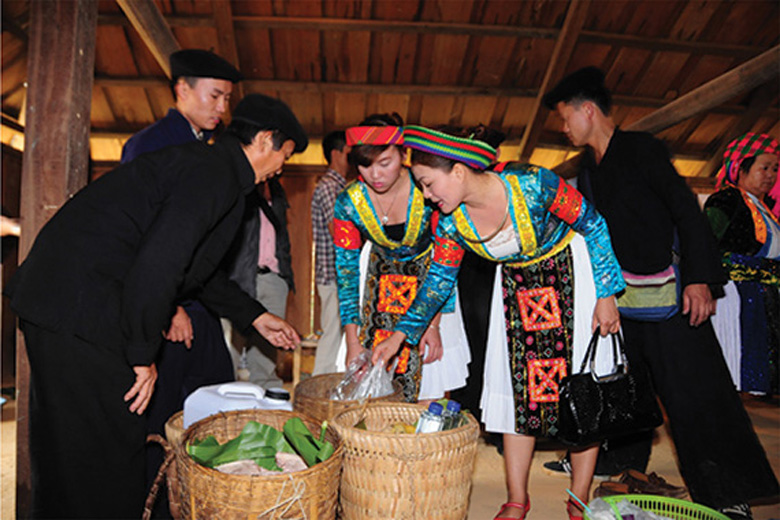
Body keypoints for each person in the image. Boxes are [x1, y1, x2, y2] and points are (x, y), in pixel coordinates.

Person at [5, 93, 306, 519]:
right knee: (103, 448)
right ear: (264, 139)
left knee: (69, 446)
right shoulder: (213, 175)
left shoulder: (213, 170)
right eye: (285, 154)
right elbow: (159, 265)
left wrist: (254, 316)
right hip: (80, 305)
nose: (281, 167)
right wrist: (142, 354)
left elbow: (194, 271)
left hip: (63, 301)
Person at [543, 67, 779, 520]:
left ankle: (727, 493)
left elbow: (686, 212)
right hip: (624, 298)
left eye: (564, 116)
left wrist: (699, 279)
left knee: (695, 391)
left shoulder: (642, 150)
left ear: (586, 110)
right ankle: (623, 468)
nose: (563, 126)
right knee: (627, 387)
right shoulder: (588, 169)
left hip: (671, 295)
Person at [373, 125, 626, 520]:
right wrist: (400, 335)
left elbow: (592, 224)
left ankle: (578, 498)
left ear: (458, 171)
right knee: (516, 390)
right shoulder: (451, 224)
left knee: (581, 389)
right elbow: (437, 282)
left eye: (428, 183)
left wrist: (607, 294)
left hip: (574, 277)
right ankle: (517, 498)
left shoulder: (534, 183)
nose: (426, 195)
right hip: (517, 290)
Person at [119, 48, 245, 509]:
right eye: (214, 96)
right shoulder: (149, 145)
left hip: (200, 302)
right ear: (182, 90)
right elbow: (147, 240)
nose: (222, 108)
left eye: (227, 99)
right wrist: (168, 308)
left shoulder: (210, 147)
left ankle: (203, 502)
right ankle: (158, 505)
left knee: (214, 400)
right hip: (163, 307)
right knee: (163, 417)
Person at [333, 113, 469, 401]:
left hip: (432, 286)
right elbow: (346, 273)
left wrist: (433, 324)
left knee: (431, 385)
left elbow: (445, 265)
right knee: (373, 389)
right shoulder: (348, 202)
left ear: (403, 155)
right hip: (377, 289)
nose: (375, 175)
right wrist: (353, 341)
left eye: (385, 163)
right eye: (365, 165)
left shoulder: (428, 191)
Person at [705, 133, 780, 397]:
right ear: (740, 168)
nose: (770, 175)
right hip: (734, 293)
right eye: (764, 168)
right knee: (732, 354)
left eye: (775, 169)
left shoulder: (765, 208)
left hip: (762, 291)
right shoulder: (726, 201)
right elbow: (705, 243)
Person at [223, 175, 295, 388]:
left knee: (267, 357)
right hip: (239, 277)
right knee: (230, 351)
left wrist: (284, 277)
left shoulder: (277, 190)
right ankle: (222, 400)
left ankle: (266, 401)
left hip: (273, 277)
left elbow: (282, 236)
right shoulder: (238, 185)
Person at [311, 130, 351, 375]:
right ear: (336, 153)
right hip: (333, 274)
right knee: (332, 337)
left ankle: (329, 387)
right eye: (349, 153)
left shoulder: (341, 187)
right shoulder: (329, 187)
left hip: (339, 275)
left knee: (338, 338)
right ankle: (320, 388)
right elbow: (339, 234)